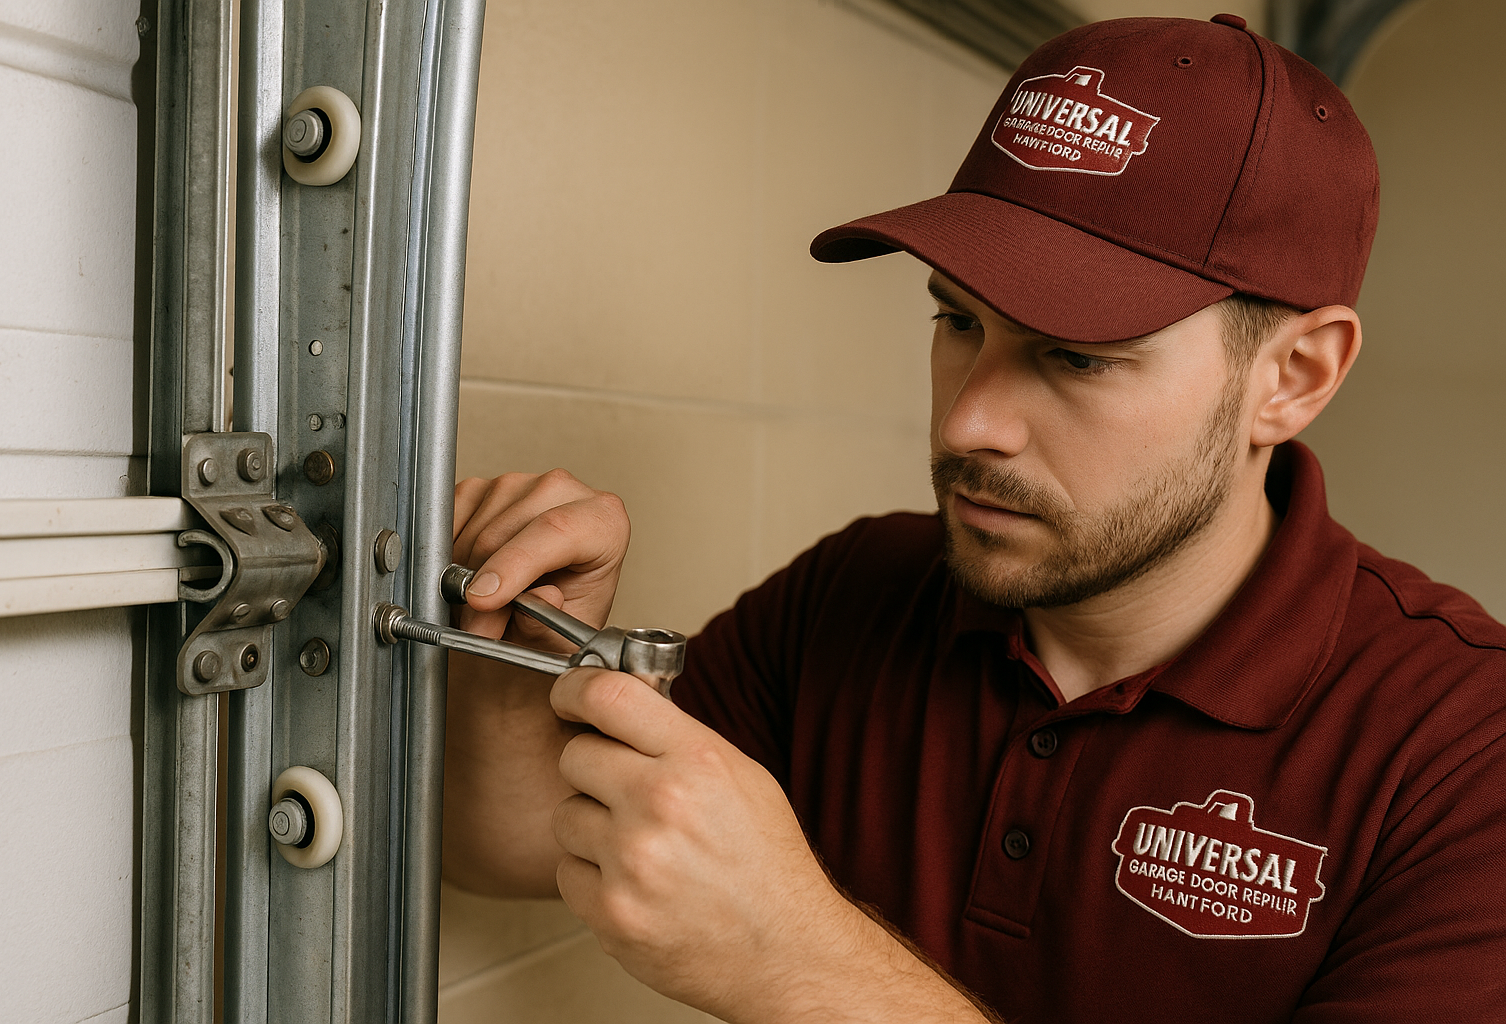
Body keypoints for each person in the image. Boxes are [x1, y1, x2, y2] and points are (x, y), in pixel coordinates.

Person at [442, 14, 1506, 1023]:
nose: (970, 417)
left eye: (1077, 355)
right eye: (958, 320)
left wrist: (803, 965)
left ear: (1294, 376)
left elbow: (795, 957)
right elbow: (519, 845)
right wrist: (515, 647)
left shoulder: (1464, 750)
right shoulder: (853, 593)